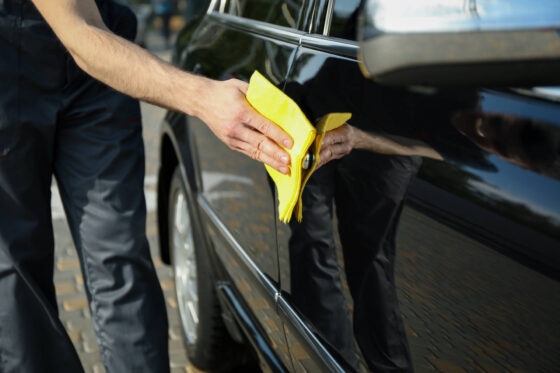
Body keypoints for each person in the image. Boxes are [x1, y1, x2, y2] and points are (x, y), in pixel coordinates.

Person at [0, 0, 294, 372]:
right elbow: (80, 35)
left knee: (119, 255)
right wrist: (204, 98)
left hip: (101, 39)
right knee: (16, 273)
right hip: (20, 57)